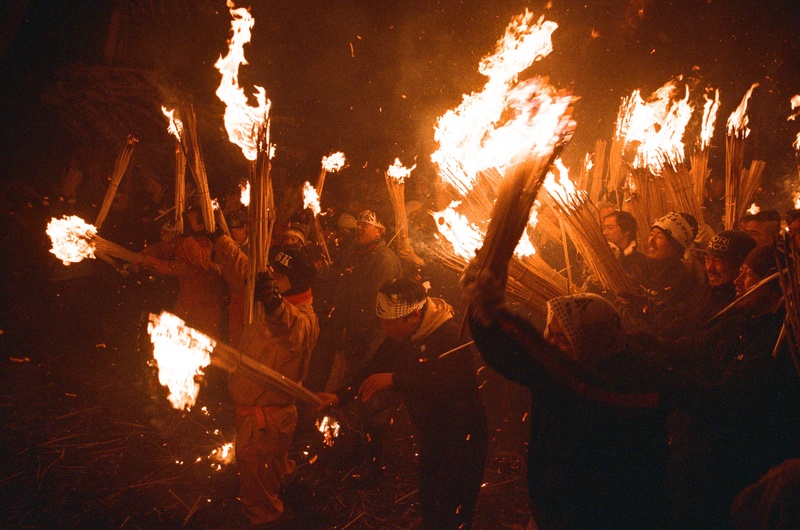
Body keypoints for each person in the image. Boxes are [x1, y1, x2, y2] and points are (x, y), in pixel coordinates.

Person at [462, 267, 670, 529]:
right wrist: (482, 315)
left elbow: (533, 360)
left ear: (590, 340)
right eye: (549, 333)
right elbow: (515, 358)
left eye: (562, 338)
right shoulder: (578, 375)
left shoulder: (615, 387)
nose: (551, 344)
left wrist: (495, 314)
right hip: (557, 512)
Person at [317, 279, 487, 529]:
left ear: (414, 316)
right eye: (381, 322)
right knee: (431, 500)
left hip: (462, 438)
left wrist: (396, 380)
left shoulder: (451, 335)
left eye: (389, 323)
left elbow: (451, 386)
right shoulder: (403, 333)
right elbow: (376, 365)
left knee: (452, 508)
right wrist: (340, 396)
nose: (384, 329)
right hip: (432, 435)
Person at [655, 245, 800, 528]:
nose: (737, 281)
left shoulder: (777, 344)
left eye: (747, 275)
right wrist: (646, 348)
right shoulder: (740, 320)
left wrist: (666, 380)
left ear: (774, 287)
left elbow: (722, 399)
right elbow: (694, 348)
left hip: (737, 464)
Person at [230, 246, 318, 527]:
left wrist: (275, 304)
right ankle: (280, 480)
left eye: (280, 274)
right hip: (268, 416)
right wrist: (221, 240)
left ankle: (264, 517)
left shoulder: (302, 317)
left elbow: (291, 327)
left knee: (255, 467)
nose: (272, 276)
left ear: (297, 281)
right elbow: (243, 266)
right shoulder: (265, 300)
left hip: (266, 417)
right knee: (272, 463)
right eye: (272, 270)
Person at [330, 209, 403, 386]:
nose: (359, 228)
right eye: (359, 224)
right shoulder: (356, 255)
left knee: (364, 385)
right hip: (353, 338)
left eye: (366, 225)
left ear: (379, 230)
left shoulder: (384, 260)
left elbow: (377, 306)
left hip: (372, 340)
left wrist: (362, 343)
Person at [139, 205, 225, 337]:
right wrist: (143, 254)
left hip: (206, 310)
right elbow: (164, 248)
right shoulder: (184, 240)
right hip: (185, 304)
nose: (185, 227)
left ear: (201, 225)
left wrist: (152, 262)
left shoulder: (210, 244)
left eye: (189, 223)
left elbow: (183, 267)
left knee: (202, 343)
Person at [626, 211, 701, 337]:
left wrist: (643, 309)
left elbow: (670, 326)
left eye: (659, 236)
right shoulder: (642, 268)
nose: (651, 241)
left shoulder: (682, 281)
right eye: (651, 234)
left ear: (675, 246)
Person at [698, 229, 756, 321]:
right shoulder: (709, 292)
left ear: (740, 264)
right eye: (707, 259)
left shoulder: (740, 307)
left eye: (717, 261)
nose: (709, 268)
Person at [602, 209, 646, 283]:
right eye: (604, 228)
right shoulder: (601, 257)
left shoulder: (640, 261)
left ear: (626, 231)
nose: (604, 233)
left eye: (610, 228)